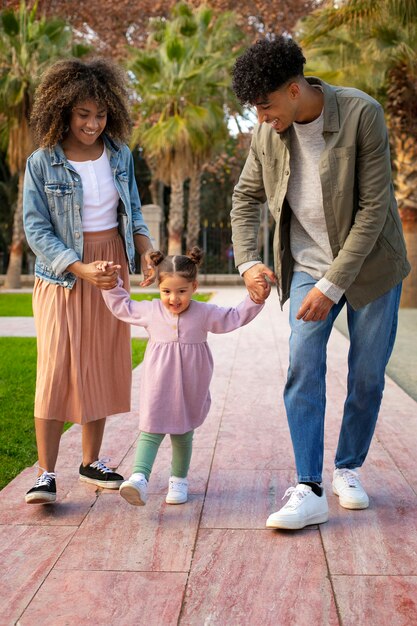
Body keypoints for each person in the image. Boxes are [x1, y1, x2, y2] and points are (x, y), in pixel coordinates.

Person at [230, 37, 410, 530]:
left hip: (371, 266)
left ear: (294, 90)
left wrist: (332, 285)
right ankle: (307, 487)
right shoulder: (267, 132)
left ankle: (347, 468)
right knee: (303, 365)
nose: (262, 119)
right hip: (307, 262)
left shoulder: (361, 113)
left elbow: (375, 209)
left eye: (266, 107)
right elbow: (246, 196)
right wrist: (248, 261)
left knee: (368, 374)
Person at [23, 58, 154, 505]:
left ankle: (90, 461)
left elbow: (133, 209)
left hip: (111, 265)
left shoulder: (119, 154)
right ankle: (45, 473)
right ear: (63, 111)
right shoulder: (42, 162)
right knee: (56, 367)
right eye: (83, 115)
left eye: (100, 115)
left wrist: (144, 247)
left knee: (100, 361)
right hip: (63, 275)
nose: (93, 124)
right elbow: (36, 229)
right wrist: (78, 268)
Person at [99, 247, 264, 506]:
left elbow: (233, 317)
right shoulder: (152, 311)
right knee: (151, 427)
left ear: (194, 286)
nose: (173, 298)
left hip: (191, 383)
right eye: (166, 291)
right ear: (158, 288)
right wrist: (111, 284)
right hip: (158, 382)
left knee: (183, 432)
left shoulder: (204, 313)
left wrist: (255, 299)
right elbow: (124, 306)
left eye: (181, 291)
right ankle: (139, 478)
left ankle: (178, 481)